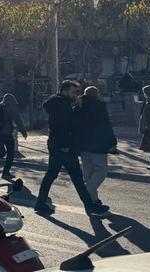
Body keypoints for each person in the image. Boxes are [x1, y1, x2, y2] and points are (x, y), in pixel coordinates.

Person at [34, 80, 108, 216]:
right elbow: (61, 127)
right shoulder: (61, 105)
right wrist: (65, 146)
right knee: (75, 177)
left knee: (54, 175)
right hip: (63, 147)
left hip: (58, 146)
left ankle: (40, 203)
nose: (76, 95)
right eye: (74, 92)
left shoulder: (60, 104)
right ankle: (90, 206)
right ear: (65, 90)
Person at [73, 86, 117, 207]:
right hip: (97, 143)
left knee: (88, 172)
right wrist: (112, 142)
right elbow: (106, 125)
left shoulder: (78, 105)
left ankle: (93, 199)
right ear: (96, 94)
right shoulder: (99, 106)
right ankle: (87, 192)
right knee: (101, 170)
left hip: (82, 144)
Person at [0, 93, 28, 179]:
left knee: (2, 152)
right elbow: (17, 120)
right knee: (10, 154)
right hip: (6, 134)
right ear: (13, 100)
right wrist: (23, 131)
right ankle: (5, 173)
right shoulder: (11, 107)